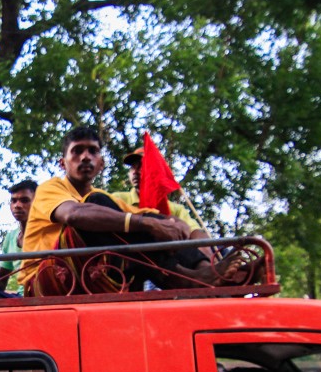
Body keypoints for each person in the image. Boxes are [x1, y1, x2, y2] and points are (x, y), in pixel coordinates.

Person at [20, 126, 242, 296]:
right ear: (62, 163)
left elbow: (145, 216)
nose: (85, 156)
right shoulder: (51, 187)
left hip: (90, 273)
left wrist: (171, 222)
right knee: (113, 214)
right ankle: (184, 277)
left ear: (101, 163)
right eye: (77, 151)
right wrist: (148, 223)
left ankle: (208, 273)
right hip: (47, 280)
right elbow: (73, 214)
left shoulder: (105, 197)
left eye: (92, 151)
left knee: (139, 223)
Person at [0, 179, 37, 295]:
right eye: (14, 201)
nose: (17, 205)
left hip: (44, 298)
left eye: (24, 200)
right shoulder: (11, 237)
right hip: (20, 297)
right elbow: (1, 283)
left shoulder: (48, 232)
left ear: (37, 203)